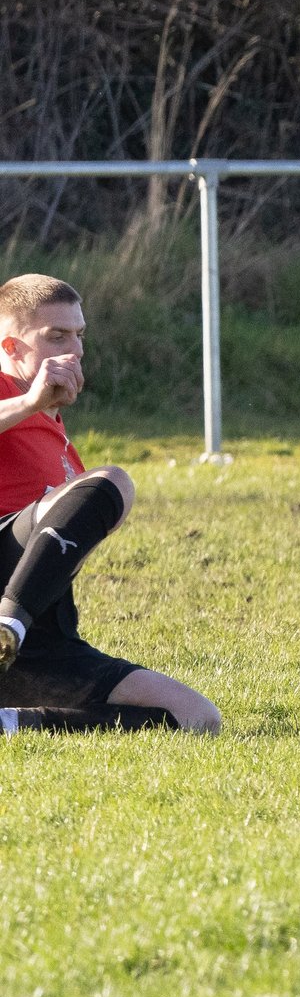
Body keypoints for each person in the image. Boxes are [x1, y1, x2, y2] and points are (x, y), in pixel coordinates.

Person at [0, 273, 219, 735]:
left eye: (79, 335)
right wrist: (28, 403)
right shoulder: (8, 395)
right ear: (12, 347)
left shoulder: (61, 450)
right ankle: (6, 627)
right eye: (56, 335)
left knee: (197, 718)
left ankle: (13, 721)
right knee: (110, 482)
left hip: (44, 646)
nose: (75, 349)